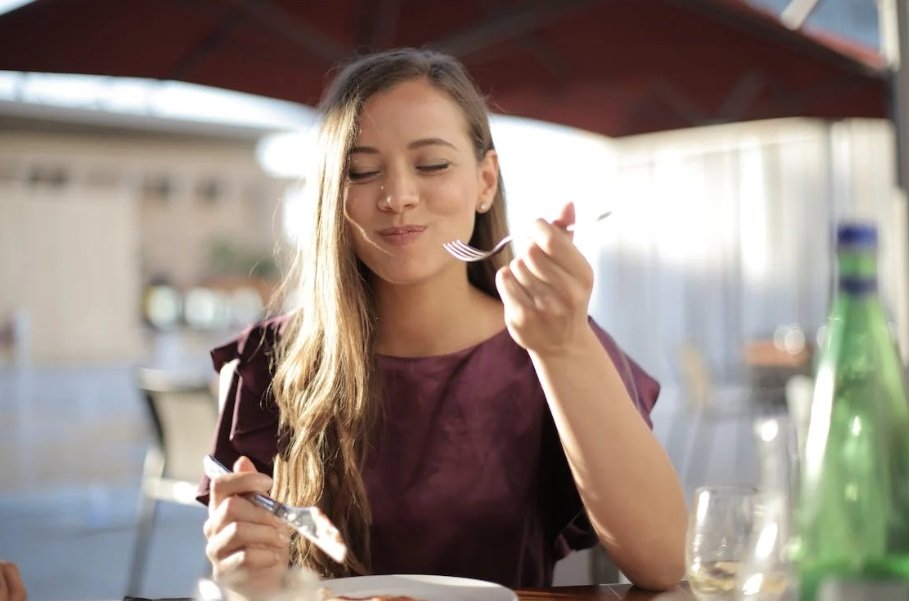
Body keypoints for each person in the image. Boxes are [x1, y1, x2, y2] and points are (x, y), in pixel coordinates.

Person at [199, 47, 687, 591]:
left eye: (432, 164)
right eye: (361, 172)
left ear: (485, 181)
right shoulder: (268, 362)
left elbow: (663, 562)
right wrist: (239, 568)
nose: (398, 197)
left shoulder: (554, 342)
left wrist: (563, 348)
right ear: (332, 196)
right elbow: (246, 573)